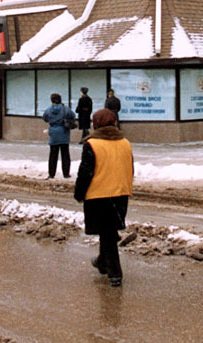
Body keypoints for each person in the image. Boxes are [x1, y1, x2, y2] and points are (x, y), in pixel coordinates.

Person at [75, 108, 133, 287]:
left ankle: (115, 273)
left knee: (107, 233)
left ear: (96, 123)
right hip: (121, 193)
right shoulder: (125, 142)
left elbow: (86, 172)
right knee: (107, 231)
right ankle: (102, 262)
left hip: (99, 194)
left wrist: (79, 193)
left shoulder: (92, 144)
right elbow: (130, 167)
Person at [42, 93, 76, 179]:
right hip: (64, 133)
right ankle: (66, 173)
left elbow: (45, 118)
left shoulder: (49, 110)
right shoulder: (65, 108)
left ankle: (52, 173)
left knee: (53, 155)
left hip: (53, 134)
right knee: (65, 154)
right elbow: (73, 115)